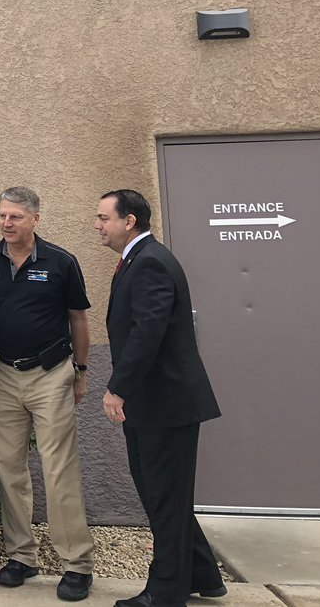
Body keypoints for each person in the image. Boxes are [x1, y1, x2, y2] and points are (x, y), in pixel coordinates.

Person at [95, 190, 225, 607]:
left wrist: (118, 388)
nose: (97, 225)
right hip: (156, 404)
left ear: (128, 221)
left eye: (103, 217)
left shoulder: (150, 262)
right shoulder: (139, 259)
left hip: (165, 405)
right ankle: (203, 573)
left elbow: (146, 334)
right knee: (162, 493)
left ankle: (166, 593)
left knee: (164, 496)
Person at [0, 187, 95, 600]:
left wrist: (80, 371)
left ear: (35, 219)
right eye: (2, 216)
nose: (6, 224)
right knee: (9, 470)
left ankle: (76, 563)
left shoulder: (61, 262)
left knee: (58, 469)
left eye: (16, 217)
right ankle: (21, 556)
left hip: (50, 374)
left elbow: (78, 319)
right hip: (1, 373)